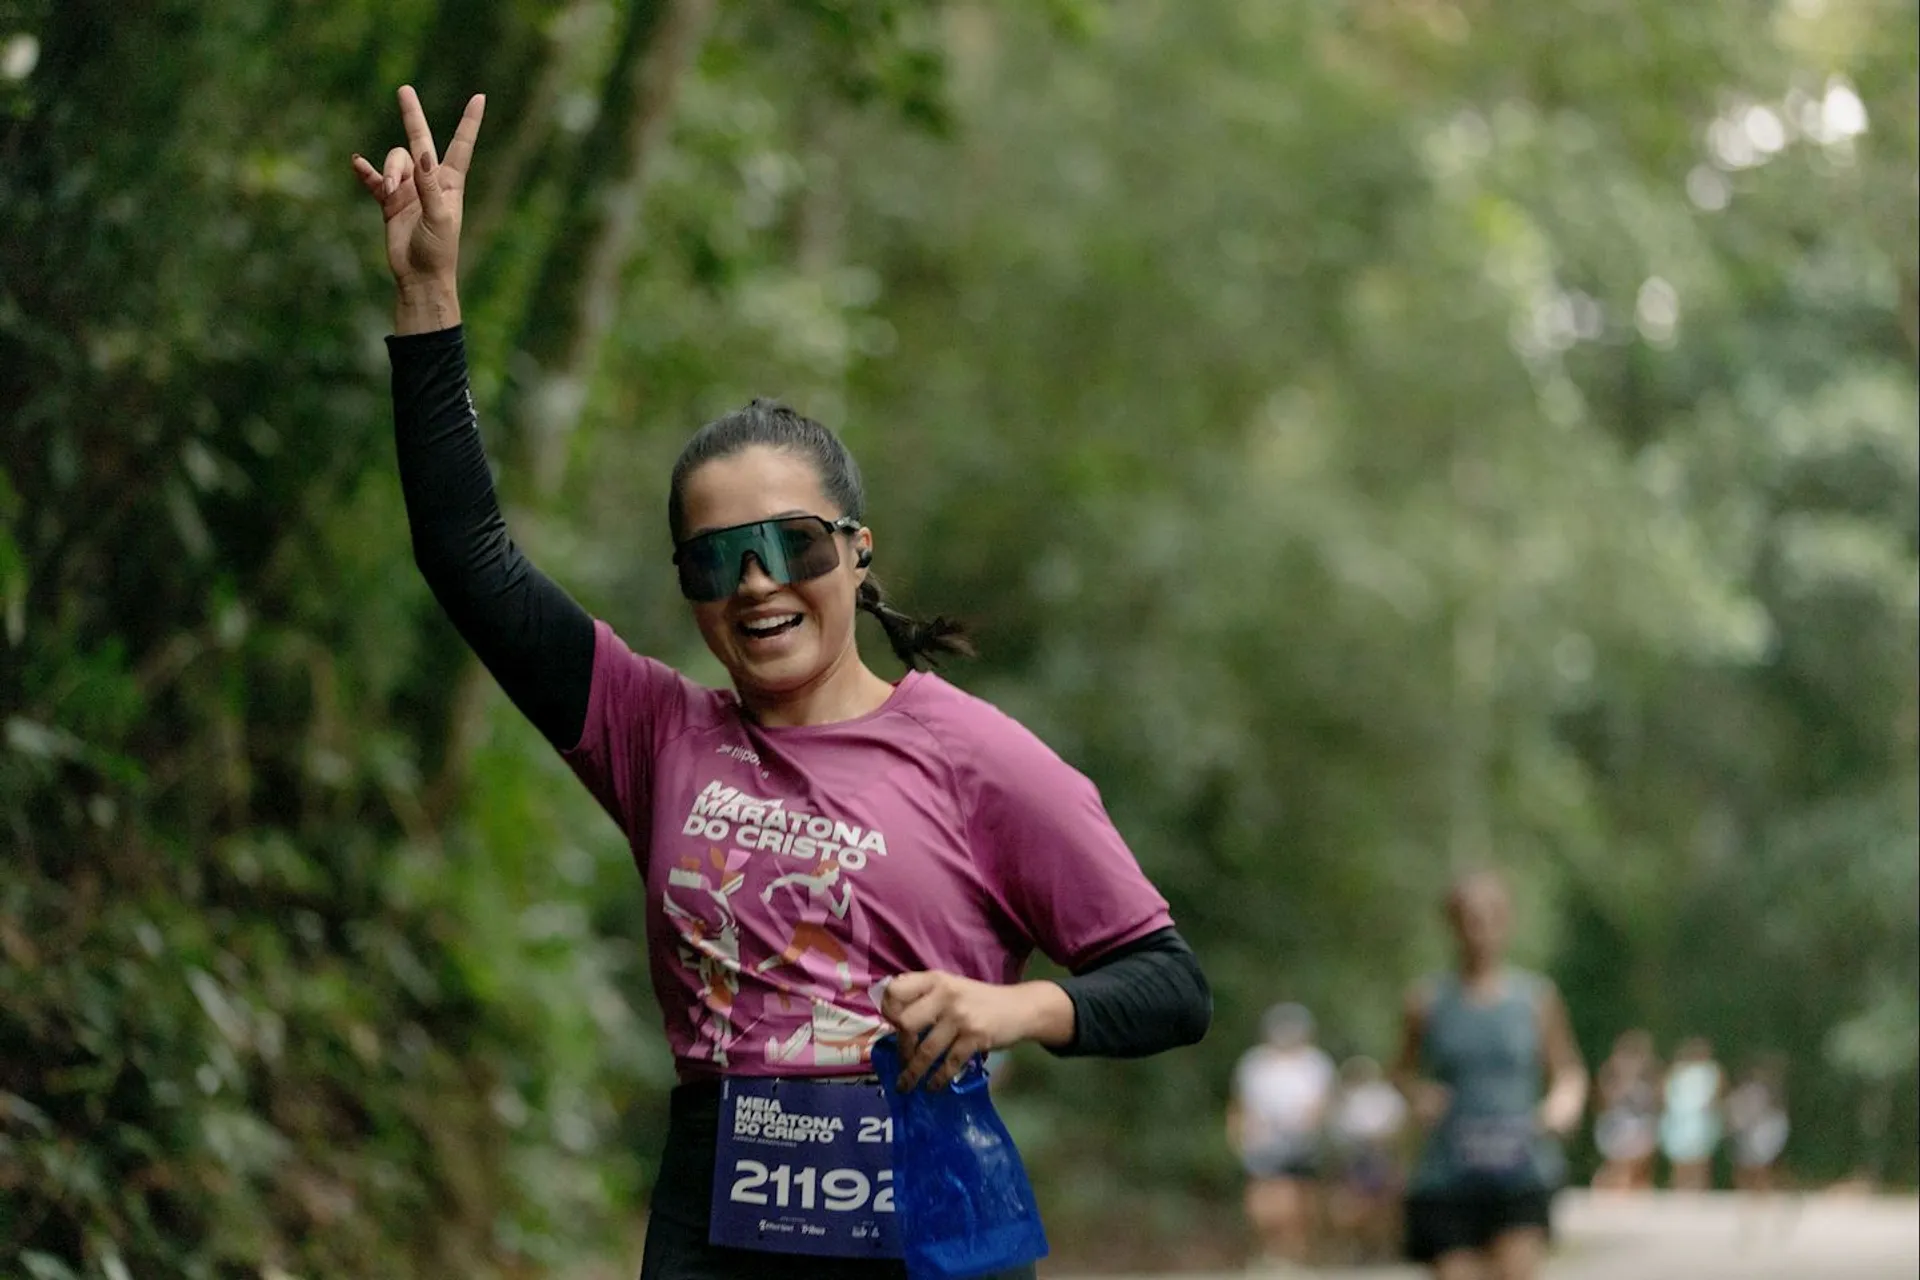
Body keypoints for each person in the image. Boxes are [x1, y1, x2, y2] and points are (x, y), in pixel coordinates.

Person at [351, 87, 1212, 1280]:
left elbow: (1171, 985)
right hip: (715, 1207)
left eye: (792, 544)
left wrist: (1010, 1009)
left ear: (857, 551)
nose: (757, 581)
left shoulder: (978, 757)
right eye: (716, 558)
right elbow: (469, 556)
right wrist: (427, 295)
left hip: (922, 1208)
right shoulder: (655, 730)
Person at [1392, 870, 1588, 1280]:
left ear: (1507, 921)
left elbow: (1568, 1071)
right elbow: (1399, 1073)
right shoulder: (1427, 1001)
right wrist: (1417, 1094)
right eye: (1470, 919)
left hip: (1519, 1170)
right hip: (1448, 1174)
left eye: (1491, 918)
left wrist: (1560, 1107)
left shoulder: (1535, 999)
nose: (1480, 931)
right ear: (1452, 925)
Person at [1226, 1003, 1336, 1268]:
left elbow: (1322, 1103)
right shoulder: (1255, 1063)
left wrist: (1307, 1125)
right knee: (1264, 1201)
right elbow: (1240, 1104)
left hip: (1301, 1144)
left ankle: (1294, 1254)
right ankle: (1271, 1252)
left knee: (1298, 1201)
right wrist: (1238, 1134)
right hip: (1263, 1143)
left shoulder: (1315, 1063)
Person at [1323, 1054, 1408, 1265]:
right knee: (1349, 1207)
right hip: (1353, 1160)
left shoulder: (1387, 1097)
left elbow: (1398, 1130)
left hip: (1382, 1157)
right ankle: (1353, 1248)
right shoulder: (1343, 1100)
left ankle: (1381, 1249)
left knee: (1383, 1208)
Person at [1590, 1029, 1661, 1192]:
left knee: (1639, 1164)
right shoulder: (1611, 1074)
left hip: (1639, 1125)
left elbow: (1655, 1100)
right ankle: (1607, 1186)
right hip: (1618, 1125)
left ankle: (1633, 1188)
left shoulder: (1648, 1077)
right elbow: (1603, 1101)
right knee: (1619, 1163)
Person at [1659, 1037, 1724, 1192]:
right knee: (1679, 1155)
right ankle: (1679, 1187)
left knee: (1701, 1156)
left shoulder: (1711, 1071)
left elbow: (1717, 1093)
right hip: (1680, 1119)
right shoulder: (1677, 1071)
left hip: (1701, 1119)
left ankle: (1700, 1188)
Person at [1726, 1057, 1789, 1194]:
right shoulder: (1745, 1092)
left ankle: (1762, 1190)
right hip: (1747, 1133)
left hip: (1758, 1132)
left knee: (1760, 1164)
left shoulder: (1760, 1092)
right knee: (1745, 1164)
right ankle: (1748, 1190)